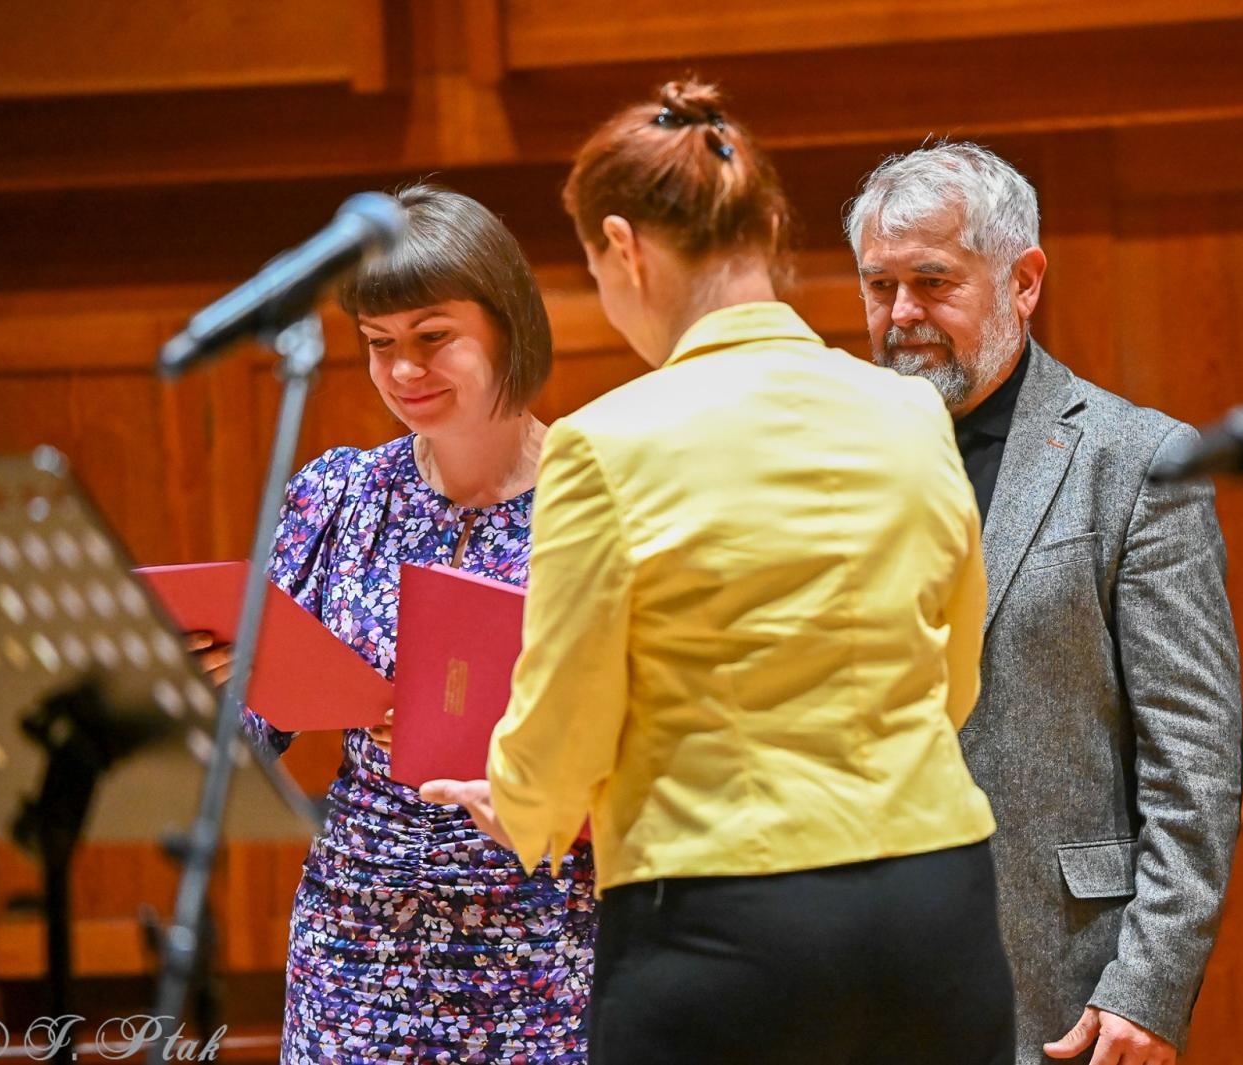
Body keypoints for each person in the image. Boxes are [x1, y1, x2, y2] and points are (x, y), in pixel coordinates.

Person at [422, 82, 1015, 1065]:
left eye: (594, 270)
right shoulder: (908, 412)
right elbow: (953, 675)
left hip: (726, 919)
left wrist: (522, 802)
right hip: (933, 903)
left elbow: (568, 713)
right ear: (767, 229)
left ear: (623, 247)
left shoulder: (605, 442)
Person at [845, 143, 1243, 1065]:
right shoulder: (833, 464)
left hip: (1064, 985)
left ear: (1023, 281)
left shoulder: (1134, 462)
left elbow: (1195, 759)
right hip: (863, 982)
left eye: (932, 282)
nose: (900, 315)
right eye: (879, 286)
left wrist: (1147, 988)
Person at [230, 184, 595, 1063]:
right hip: (355, 944)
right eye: (379, 343)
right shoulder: (342, 494)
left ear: (508, 325)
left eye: (432, 337)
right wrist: (211, 681)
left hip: (540, 944)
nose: (402, 371)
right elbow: (250, 735)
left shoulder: (599, 498)